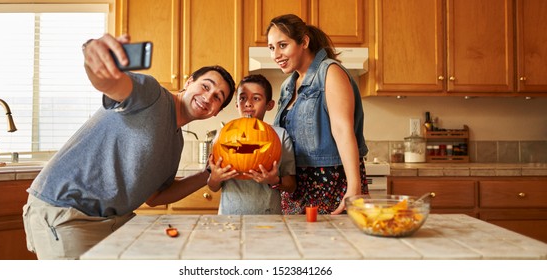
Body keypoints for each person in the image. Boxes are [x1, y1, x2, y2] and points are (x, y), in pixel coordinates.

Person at [22, 33, 236, 260]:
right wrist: (98, 63)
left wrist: (208, 174)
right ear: (189, 81)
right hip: (67, 212)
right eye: (205, 86)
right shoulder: (152, 95)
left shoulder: (176, 142)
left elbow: (155, 196)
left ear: (216, 111)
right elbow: (113, 84)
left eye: (217, 97)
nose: (208, 97)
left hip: (113, 221)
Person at [266, 14, 369, 215]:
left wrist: (354, 188)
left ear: (304, 42)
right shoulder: (289, 85)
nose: (275, 54)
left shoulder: (330, 72)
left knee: (334, 244)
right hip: (296, 188)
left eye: (282, 45)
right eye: (271, 48)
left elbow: (342, 130)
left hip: (330, 183)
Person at [206, 74, 296, 215]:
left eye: (256, 98)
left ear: (269, 105)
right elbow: (213, 186)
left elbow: (291, 185)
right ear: (237, 104)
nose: (248, 103)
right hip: (229, 219)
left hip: (269, 218)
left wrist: (274, 180)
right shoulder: (223, 135)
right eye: (242, 98)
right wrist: (215, 178)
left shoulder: (280, 135)